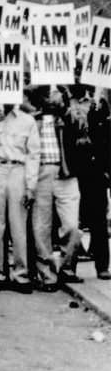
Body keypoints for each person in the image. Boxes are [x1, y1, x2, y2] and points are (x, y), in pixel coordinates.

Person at [0, 96, 41, 293]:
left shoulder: (27, 121)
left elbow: (33, 154)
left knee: (18, 224)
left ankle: (21, 274)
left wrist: (31, 184)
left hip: (18, 170)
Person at [26, 85, 82, 291]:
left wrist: (66, 100)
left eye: (56, 95)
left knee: (72, 226)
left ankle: (67, 267)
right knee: (41, 226)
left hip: (66, 174)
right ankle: (47, 275)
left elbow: (82, 125)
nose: (53, 99)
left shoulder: (69, 116)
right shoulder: (31, 117)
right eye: (48, 95)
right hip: (41, 172)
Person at [64, 84, 110, 281]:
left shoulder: (98, 103)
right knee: (74, 220)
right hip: (74, 167)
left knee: (99, 218)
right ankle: (69, 265)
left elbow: (106, 135)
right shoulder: (65, 102)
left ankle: (102, 265)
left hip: (95, 167)